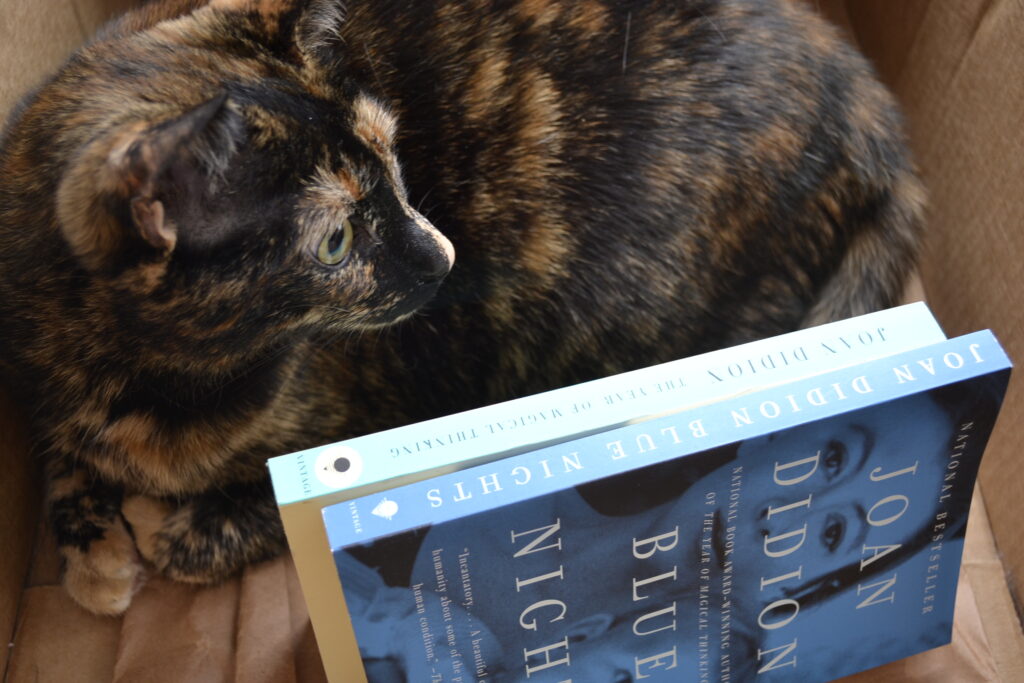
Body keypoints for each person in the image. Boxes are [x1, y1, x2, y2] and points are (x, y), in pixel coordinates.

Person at [337, 377, 1001, 682]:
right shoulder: (545, 441)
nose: (781, 519)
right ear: (777, 430)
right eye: (829, 457)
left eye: (833, 534)